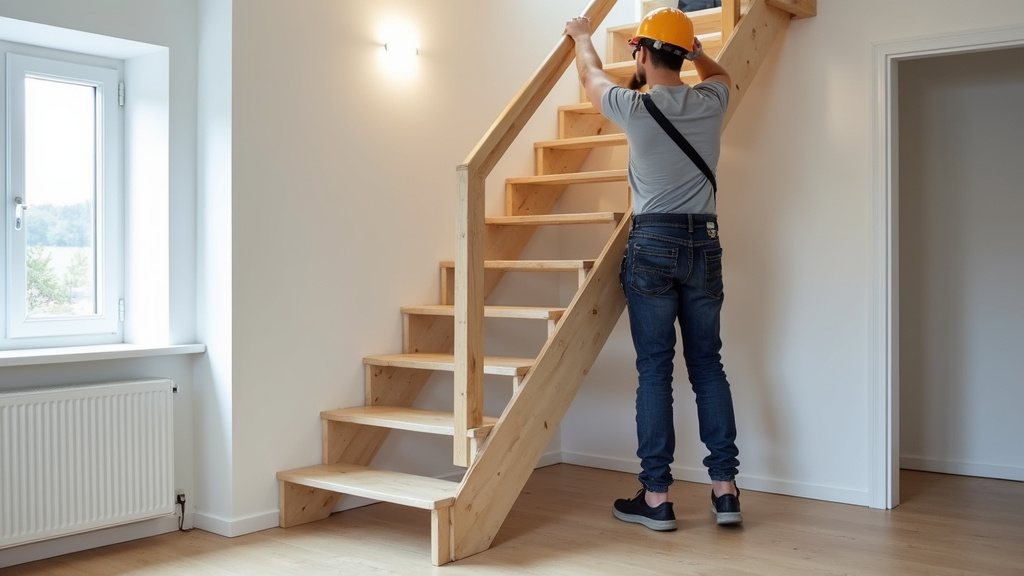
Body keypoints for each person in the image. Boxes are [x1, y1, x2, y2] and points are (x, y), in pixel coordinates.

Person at [564, 7, 741, 531]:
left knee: (655, 370)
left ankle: (658, 498)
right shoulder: (711, 100)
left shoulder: (632, 107)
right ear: (684, 55)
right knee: (708, 365)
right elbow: (721, 74)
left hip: (653, 242)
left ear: (640, 52)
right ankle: (725, 491)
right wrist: (697, 53)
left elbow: (590, 74)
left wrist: (581, 35)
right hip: (705, 242)